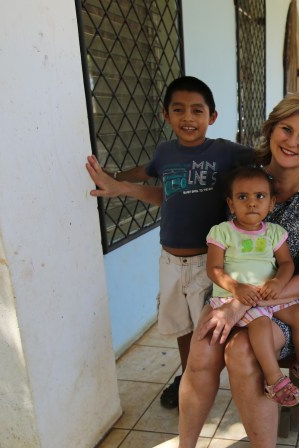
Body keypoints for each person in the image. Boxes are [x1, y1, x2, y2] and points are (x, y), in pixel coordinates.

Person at [152, 92, 299, 448]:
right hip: (231, 291)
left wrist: (246, 303)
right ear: (272, 128)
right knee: (202, 349)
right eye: (286, 129)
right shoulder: (244, 174)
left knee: (241, 351)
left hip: (293, 303)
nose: (292, 142)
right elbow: (182, 175)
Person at [85, 76, 255, 409]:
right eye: (179, 110)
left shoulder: (225, 152)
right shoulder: (164, 152)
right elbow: (154, 181)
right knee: (182, 326)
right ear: (165, 115)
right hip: (170, 261)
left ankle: (220, 374)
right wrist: (115, 180)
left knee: (211, 325)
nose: (188, 118)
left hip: (210, 262)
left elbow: (270, 158)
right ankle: (188, 375)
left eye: (197, 110)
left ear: (212, 116)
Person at [206, 165, 299, 408]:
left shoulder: (274, 232)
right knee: (261, 323)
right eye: (243, 197)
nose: (252, 203)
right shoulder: (222, 232)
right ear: (231, 205)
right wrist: (236, 287)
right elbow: (214, 269)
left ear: (272, 203)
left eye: (259, 196)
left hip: (268, 294)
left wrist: (278, 282)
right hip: (234, 297)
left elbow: (285, 264)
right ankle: (275, 381)